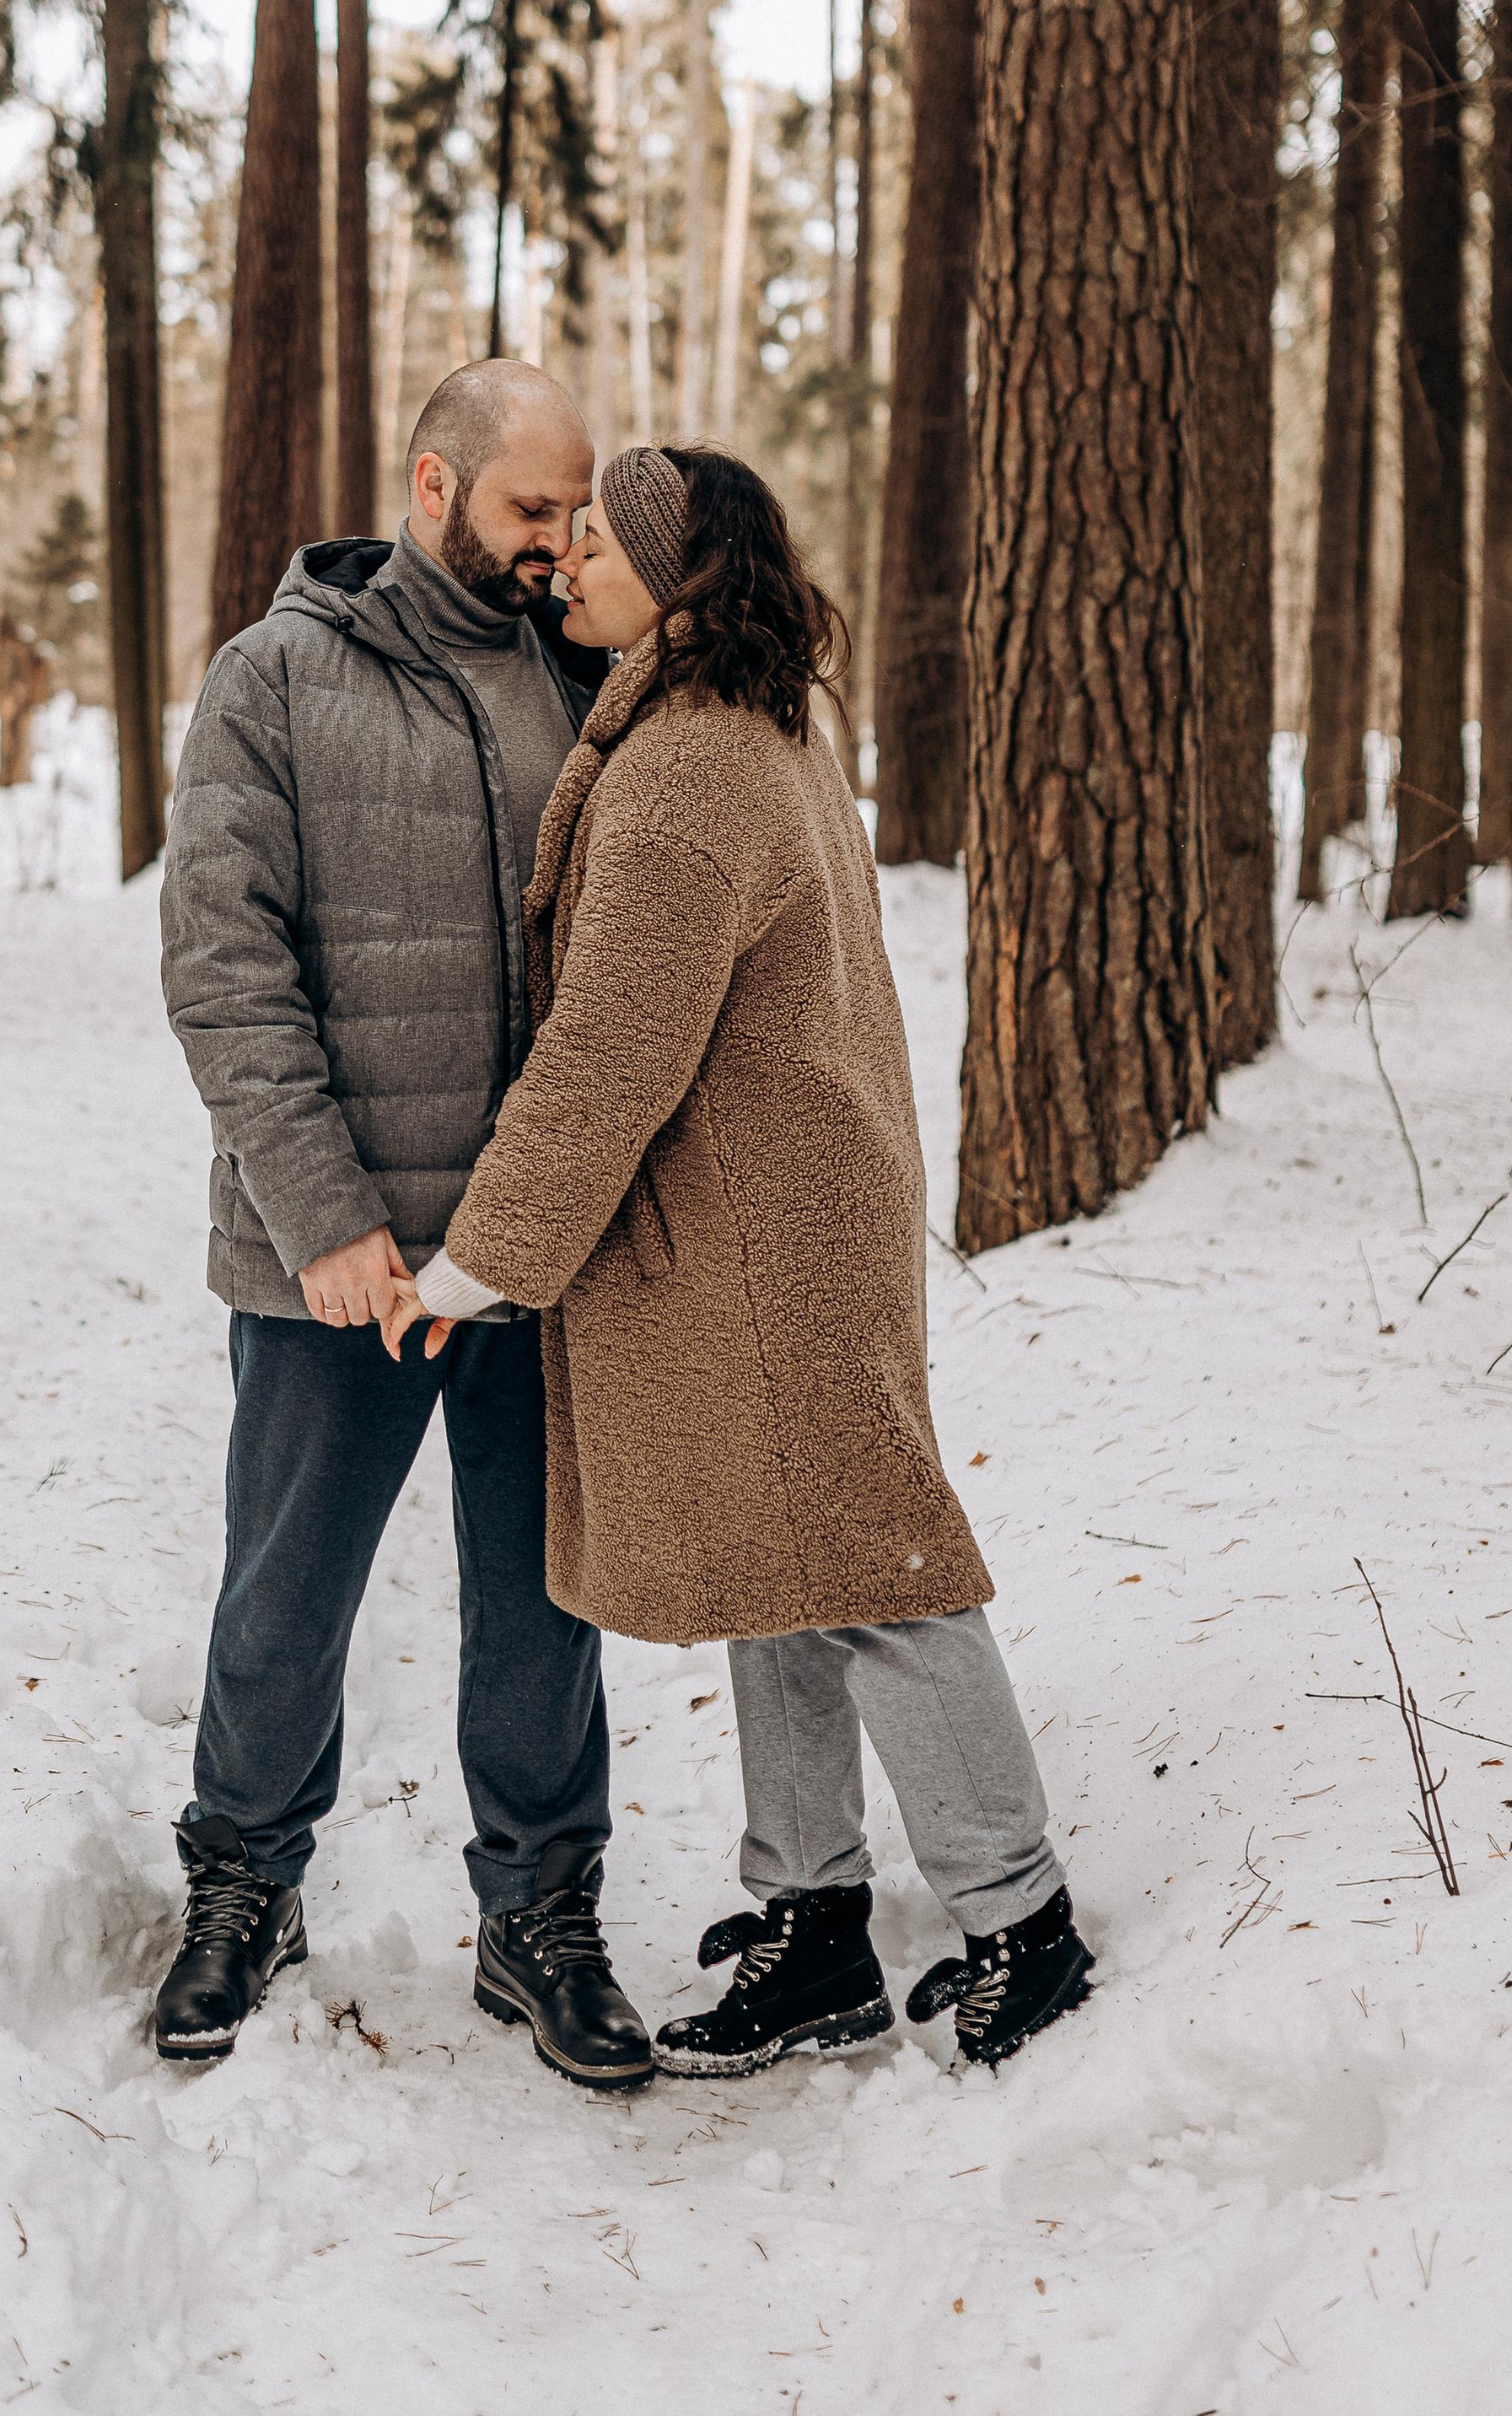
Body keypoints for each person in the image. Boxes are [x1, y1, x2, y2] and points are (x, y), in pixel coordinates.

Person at [383, 444, 1094, 2077]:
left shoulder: (691, 761)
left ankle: (1020, 1916)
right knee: (783, 1573)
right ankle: (812, 1921)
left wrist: (478, 1260)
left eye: (602, 543)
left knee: (871, 1564)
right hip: (771, 1212)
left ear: (679, 580)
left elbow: (607, 1054)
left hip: (768, 1236)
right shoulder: (734, 714)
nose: (568, 557)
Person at [153, 363, 654, 2088]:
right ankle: (239, 1882)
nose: (556, 542)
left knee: (540, 1606)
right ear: (433, 486)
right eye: (533, 508)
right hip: (336, 1264)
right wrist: (325, 1218)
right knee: (282, 1597)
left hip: (530, 1253)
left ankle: (541, 1913)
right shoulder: (271, 679)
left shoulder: (587, 681)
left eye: (573, 513)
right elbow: (223, 967)